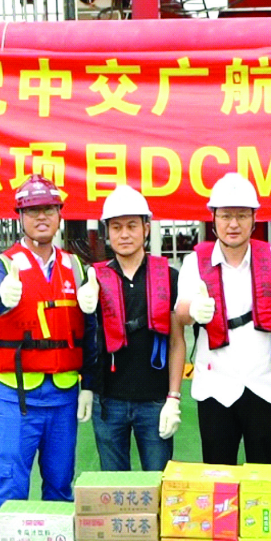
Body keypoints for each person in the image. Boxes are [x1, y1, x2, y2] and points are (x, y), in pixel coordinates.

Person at [0, 174, 98, 506]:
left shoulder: (75, 267)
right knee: (11, 484)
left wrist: (88, 385)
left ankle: (55, 540)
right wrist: (1, 296)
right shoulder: (2, 265)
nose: (41, 217)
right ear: (20, 217)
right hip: (16, 395)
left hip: (63, 395)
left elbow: (89, 331)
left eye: (49, 209)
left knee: (60, 483)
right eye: (32, 210)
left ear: (60, 215)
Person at [174, 173, 271, 465]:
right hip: (215, 386)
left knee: (264, 473)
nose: (233, 224)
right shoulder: (195, 263)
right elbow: (180, 314)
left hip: (264, 383)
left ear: (254, 219)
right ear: (213, 218)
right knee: (218, 474)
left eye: (242, 215)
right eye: (226, 215)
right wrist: (193, 309)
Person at [82, 185, 186, 472]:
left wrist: (173, 398)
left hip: (154, 402)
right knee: (114, 488)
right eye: (116, 227)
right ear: (107, 232)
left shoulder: (168, 277)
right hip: (109, 402)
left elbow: (177, 342)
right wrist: (86, 388)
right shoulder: (94, 278)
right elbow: (85, 340)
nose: (124, 234)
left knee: (158, 483)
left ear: (146, 228)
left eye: (131, 226)